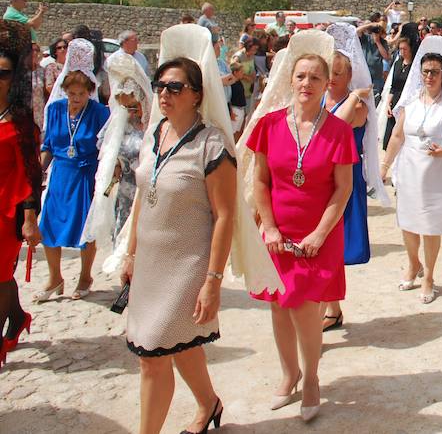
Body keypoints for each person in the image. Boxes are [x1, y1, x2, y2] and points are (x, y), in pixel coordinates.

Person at [119, 24, 280, 434]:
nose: (165, 94)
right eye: (160, 86)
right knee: (178, 343)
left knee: (152, 355)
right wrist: (131, 252)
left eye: (175, 87)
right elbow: (143, 196)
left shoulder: (212, 146)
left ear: (197, 93)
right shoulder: (156, 135)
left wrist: (212, 280)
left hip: (188, 265)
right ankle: (209, 404)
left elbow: (225, 215)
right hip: (151, 263)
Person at [241, 30, 356, 421]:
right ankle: (288, 375)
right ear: (290, 79)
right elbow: (260, 181)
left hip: (316, 235)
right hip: (276, 235)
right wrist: (269, 229)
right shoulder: (269, 125)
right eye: (301, 76)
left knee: (306, 310)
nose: (307, 84)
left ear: (329, 84)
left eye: (316, 78)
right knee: (278, 307)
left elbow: (342, 191)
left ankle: (311, 378)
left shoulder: (339, 130)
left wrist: (319, 234)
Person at [381, 36, 442, 303]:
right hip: (410, 168)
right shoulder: (410, 102)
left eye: (435, 72)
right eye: (425, 72)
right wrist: (385, 165)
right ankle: (413, 263)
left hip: (437, 173)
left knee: (431, 226)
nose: (429, 76)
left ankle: (430, 276)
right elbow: (397, 135)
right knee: (408, 223)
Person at [319, 23, 390, 331]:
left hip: (343, 182)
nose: (332, 79)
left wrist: (353, 98)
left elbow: (332, 130)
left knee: (329, 248)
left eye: (338, 73)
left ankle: (322, 311)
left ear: (350, 75)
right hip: (318, 180)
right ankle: (331, 310)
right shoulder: (320, 100)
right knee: (323, 249)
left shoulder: (358, 104)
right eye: (329, 72)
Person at [35, 39, 110, 302]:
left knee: (85, 229)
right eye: (72, 94)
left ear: (90, 90)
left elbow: (107, 149)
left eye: (82, 94)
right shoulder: (55, 110)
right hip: (60, 176)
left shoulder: (100, 112)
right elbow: (47, 146)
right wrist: (37, 172)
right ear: (65, 90)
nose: (76, 99)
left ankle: (85, 276)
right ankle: (55, 277)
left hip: (86, 175)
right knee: (48, 226)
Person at [0, 21, 43, 369]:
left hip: (6, 211)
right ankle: (17, 317)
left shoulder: (23, 121)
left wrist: (30, 219)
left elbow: (32, 173)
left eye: (3, 74)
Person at [81, 52, 151, 252]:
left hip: (146, 191)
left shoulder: (153, 125)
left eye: (133, 106)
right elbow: (105, 145)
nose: (130, 111)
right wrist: (116, 164)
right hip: (126, 191)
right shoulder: (120, 122)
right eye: (125, 107)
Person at [379, 37, 414, 149]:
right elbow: (393, 86)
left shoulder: (414, 66)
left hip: (407, 101)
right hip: (395, 99)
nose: (402, 52)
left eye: (405, 49)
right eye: (400, 49)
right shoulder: (398, 63)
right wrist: (388, 103)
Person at [30, 43, 45, 130]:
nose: (35, 53)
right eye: (32, 50)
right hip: (25, 112)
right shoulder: (20, 72)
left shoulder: (42, 71)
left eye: (37, 50)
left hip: (39, 113)